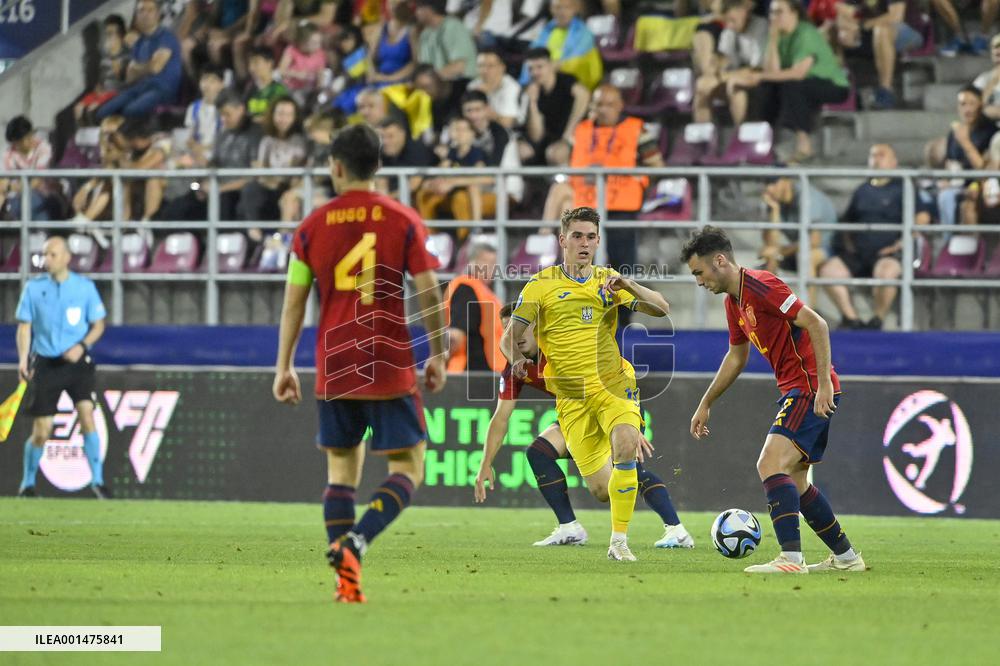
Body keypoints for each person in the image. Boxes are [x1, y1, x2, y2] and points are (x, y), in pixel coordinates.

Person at [273, 123, 448, 603]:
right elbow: (428, 290)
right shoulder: (402, 219)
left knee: (340, 472)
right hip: (387, 358)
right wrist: (437, 353)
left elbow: (293, 302)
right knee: (409, 467)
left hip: (335, 360)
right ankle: (357, 543)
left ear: (335, 166)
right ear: (379, 165)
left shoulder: (310, 227)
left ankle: (345, 580)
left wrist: (283, 365)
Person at [683, 225, 864, 574]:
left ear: (719, 261)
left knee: (769, 463)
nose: (699, 282)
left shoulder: (762, 286)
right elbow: (736, 357)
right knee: (796, 482)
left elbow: (817, 324)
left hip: (808, 387)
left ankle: (790, 559)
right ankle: (846, 558)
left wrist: (823, 385)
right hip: (799, 388)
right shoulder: (734, 303)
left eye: (699, 272)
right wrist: (706, 402)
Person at [501, 206, 671, 561]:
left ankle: (619, 542)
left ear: (597, 241)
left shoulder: (609, 280)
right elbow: (508, 337)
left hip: (614, 385)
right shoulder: (541, 285)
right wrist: (517, 360)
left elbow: (661, 308)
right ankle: (654, 509)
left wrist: (629, 284)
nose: (584, 243)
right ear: (562, 240)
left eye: (591, 237)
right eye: (577, 236)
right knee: (601, 490)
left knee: (626, 443)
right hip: (572, 399)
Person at [475, 302, 694, 549]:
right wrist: (485, 463)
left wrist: (627, 421)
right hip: (579, 417)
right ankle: (570, 528)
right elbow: (501, 418)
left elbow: (613, 375)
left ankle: (676, 530)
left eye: (520, 327)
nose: (516, 336)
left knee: (627, 468)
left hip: (615, 402)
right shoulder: (516, 369)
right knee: (543, 455)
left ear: (537, 325)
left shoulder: (564, 348)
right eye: (508, 331)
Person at [15, 237, 110, 499]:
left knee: (87, 415)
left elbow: (98, 324)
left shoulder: (84, 288)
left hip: (77, 363)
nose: (47, 259)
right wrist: (23, 359)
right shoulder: (34, 288)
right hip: (46, 363)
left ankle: (98, 481)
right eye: (45, 254)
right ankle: (27, 484)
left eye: (53, 254)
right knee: (42, 430)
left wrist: (82, 345)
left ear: (67, 258)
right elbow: (24, 327)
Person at [542, 85, 663, 273]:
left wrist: (639, 179)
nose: (604, 110)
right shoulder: (581, 130)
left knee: (622, 268)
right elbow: (556, 155)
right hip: (584, 204)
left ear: (620, 105)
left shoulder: (637, 129)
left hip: (621, 206)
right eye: (599, 105)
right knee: (583, 264)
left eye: (609, 105)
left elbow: (657, 166)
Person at [818, 143, 933, 330]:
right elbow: (847, 221)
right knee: (829, 271)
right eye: (873, 155)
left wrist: (901, 243)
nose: (876, 159)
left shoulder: (903, 187)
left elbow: (922, 217)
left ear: (894, 162)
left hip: (888, 253)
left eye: (882, 155)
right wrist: (848, 245)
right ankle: (852, 319)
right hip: (860, 253)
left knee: (887, 272)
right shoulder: (862, 190)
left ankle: (877, 320)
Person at [754, 0, 850, 162]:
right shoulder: (777, 35)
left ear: (794, 13)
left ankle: (804, 146)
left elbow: (799, 73)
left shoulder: (806, 33)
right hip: (805, 83)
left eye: (779, 12)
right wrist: (773, 40)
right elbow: (772, 72)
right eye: (771, 12)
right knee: (766, 87)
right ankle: (766, 140)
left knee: (793, 84)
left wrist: (759, 76)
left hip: (833, 85)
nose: (773, 17)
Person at [96, 0, 182, 120]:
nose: (145, 14)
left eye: (150, 10)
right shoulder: (139, 42)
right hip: (141, 87)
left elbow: (155, 67)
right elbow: (129, 77)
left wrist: (137, 68)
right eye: (141, 10)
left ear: (158, 14)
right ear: (136, 15)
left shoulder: (166, 36)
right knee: (103, 112)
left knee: (130, 111)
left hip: (162, 89)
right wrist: (143, 67)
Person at [759, 175, 838, 303]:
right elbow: (770, 243)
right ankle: (769, 309)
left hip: (830, 246)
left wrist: (780, 252)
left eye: (773, 183)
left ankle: (809, 311)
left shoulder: (807, 198)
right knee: (768, 254)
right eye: (766, 183)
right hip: (800, 247)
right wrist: (774, 210)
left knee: (806, 257)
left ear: (786, 180)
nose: (769, 188)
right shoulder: (775, 202)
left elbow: (814, 241)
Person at [835, 0, 925, 109]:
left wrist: (864, 24)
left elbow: (896, 16)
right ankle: (840, 84)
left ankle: (885, 90)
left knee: (882, 30)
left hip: (906, 30)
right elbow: (845, 12)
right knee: (832, 31)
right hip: (870, 32)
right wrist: (847, 28)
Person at [694, 0, 768, 126]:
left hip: (761, 81)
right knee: (702, 86)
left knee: (735, 87)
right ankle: (702, 133)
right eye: (726, 21)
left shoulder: (761, 26)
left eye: (732, 20)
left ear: (743, 12)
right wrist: (717, 64)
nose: (729, 25)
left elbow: (755, 69)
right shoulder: (729, 30)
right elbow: (725, 60)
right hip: (735, 77)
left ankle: (740, 133)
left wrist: (719, 77)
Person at [444, 243, 504, 373]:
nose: (489, 268)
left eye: (493, 263)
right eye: (484, 262)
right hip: (469, 374)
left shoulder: (485, 293)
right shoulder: (466, 289)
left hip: (489, 372)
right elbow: (455, 337)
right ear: (471, 263)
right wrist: (441, 362)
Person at [75, 14, 130, 125]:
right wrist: (98, 87)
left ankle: (97, 133)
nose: (107, 38)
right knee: (78, 108)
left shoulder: (127, 55)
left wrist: (114, 57)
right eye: (105, 34)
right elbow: (102, 79)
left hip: (117, 93)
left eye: (110, 34)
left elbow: (122, 78)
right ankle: (84, 133)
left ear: (120, 35)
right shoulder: (104, 56)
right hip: (103, 92)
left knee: (92, 108)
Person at [414, 0, 478, 82]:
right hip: (438, 84)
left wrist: (430, 80)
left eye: (419, 7)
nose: (416, 12)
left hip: (462, 82)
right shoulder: (425, 34)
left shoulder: (453, 27)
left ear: (429, 9)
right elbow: (423, 67)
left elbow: (459, 66)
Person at [468, 48, 521, 129]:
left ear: (502, 67)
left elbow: (507, 123)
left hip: (507, 131)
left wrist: (483, 98)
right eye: (480, 66)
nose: (484, 70)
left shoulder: (511, 88)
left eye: (490, 66)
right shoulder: (473, 85)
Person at [245, 46, 290, 121]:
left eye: (256, 63)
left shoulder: (279, 89)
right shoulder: (250, 88)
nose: (251, 68)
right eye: (249, 63)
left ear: (269, 63)